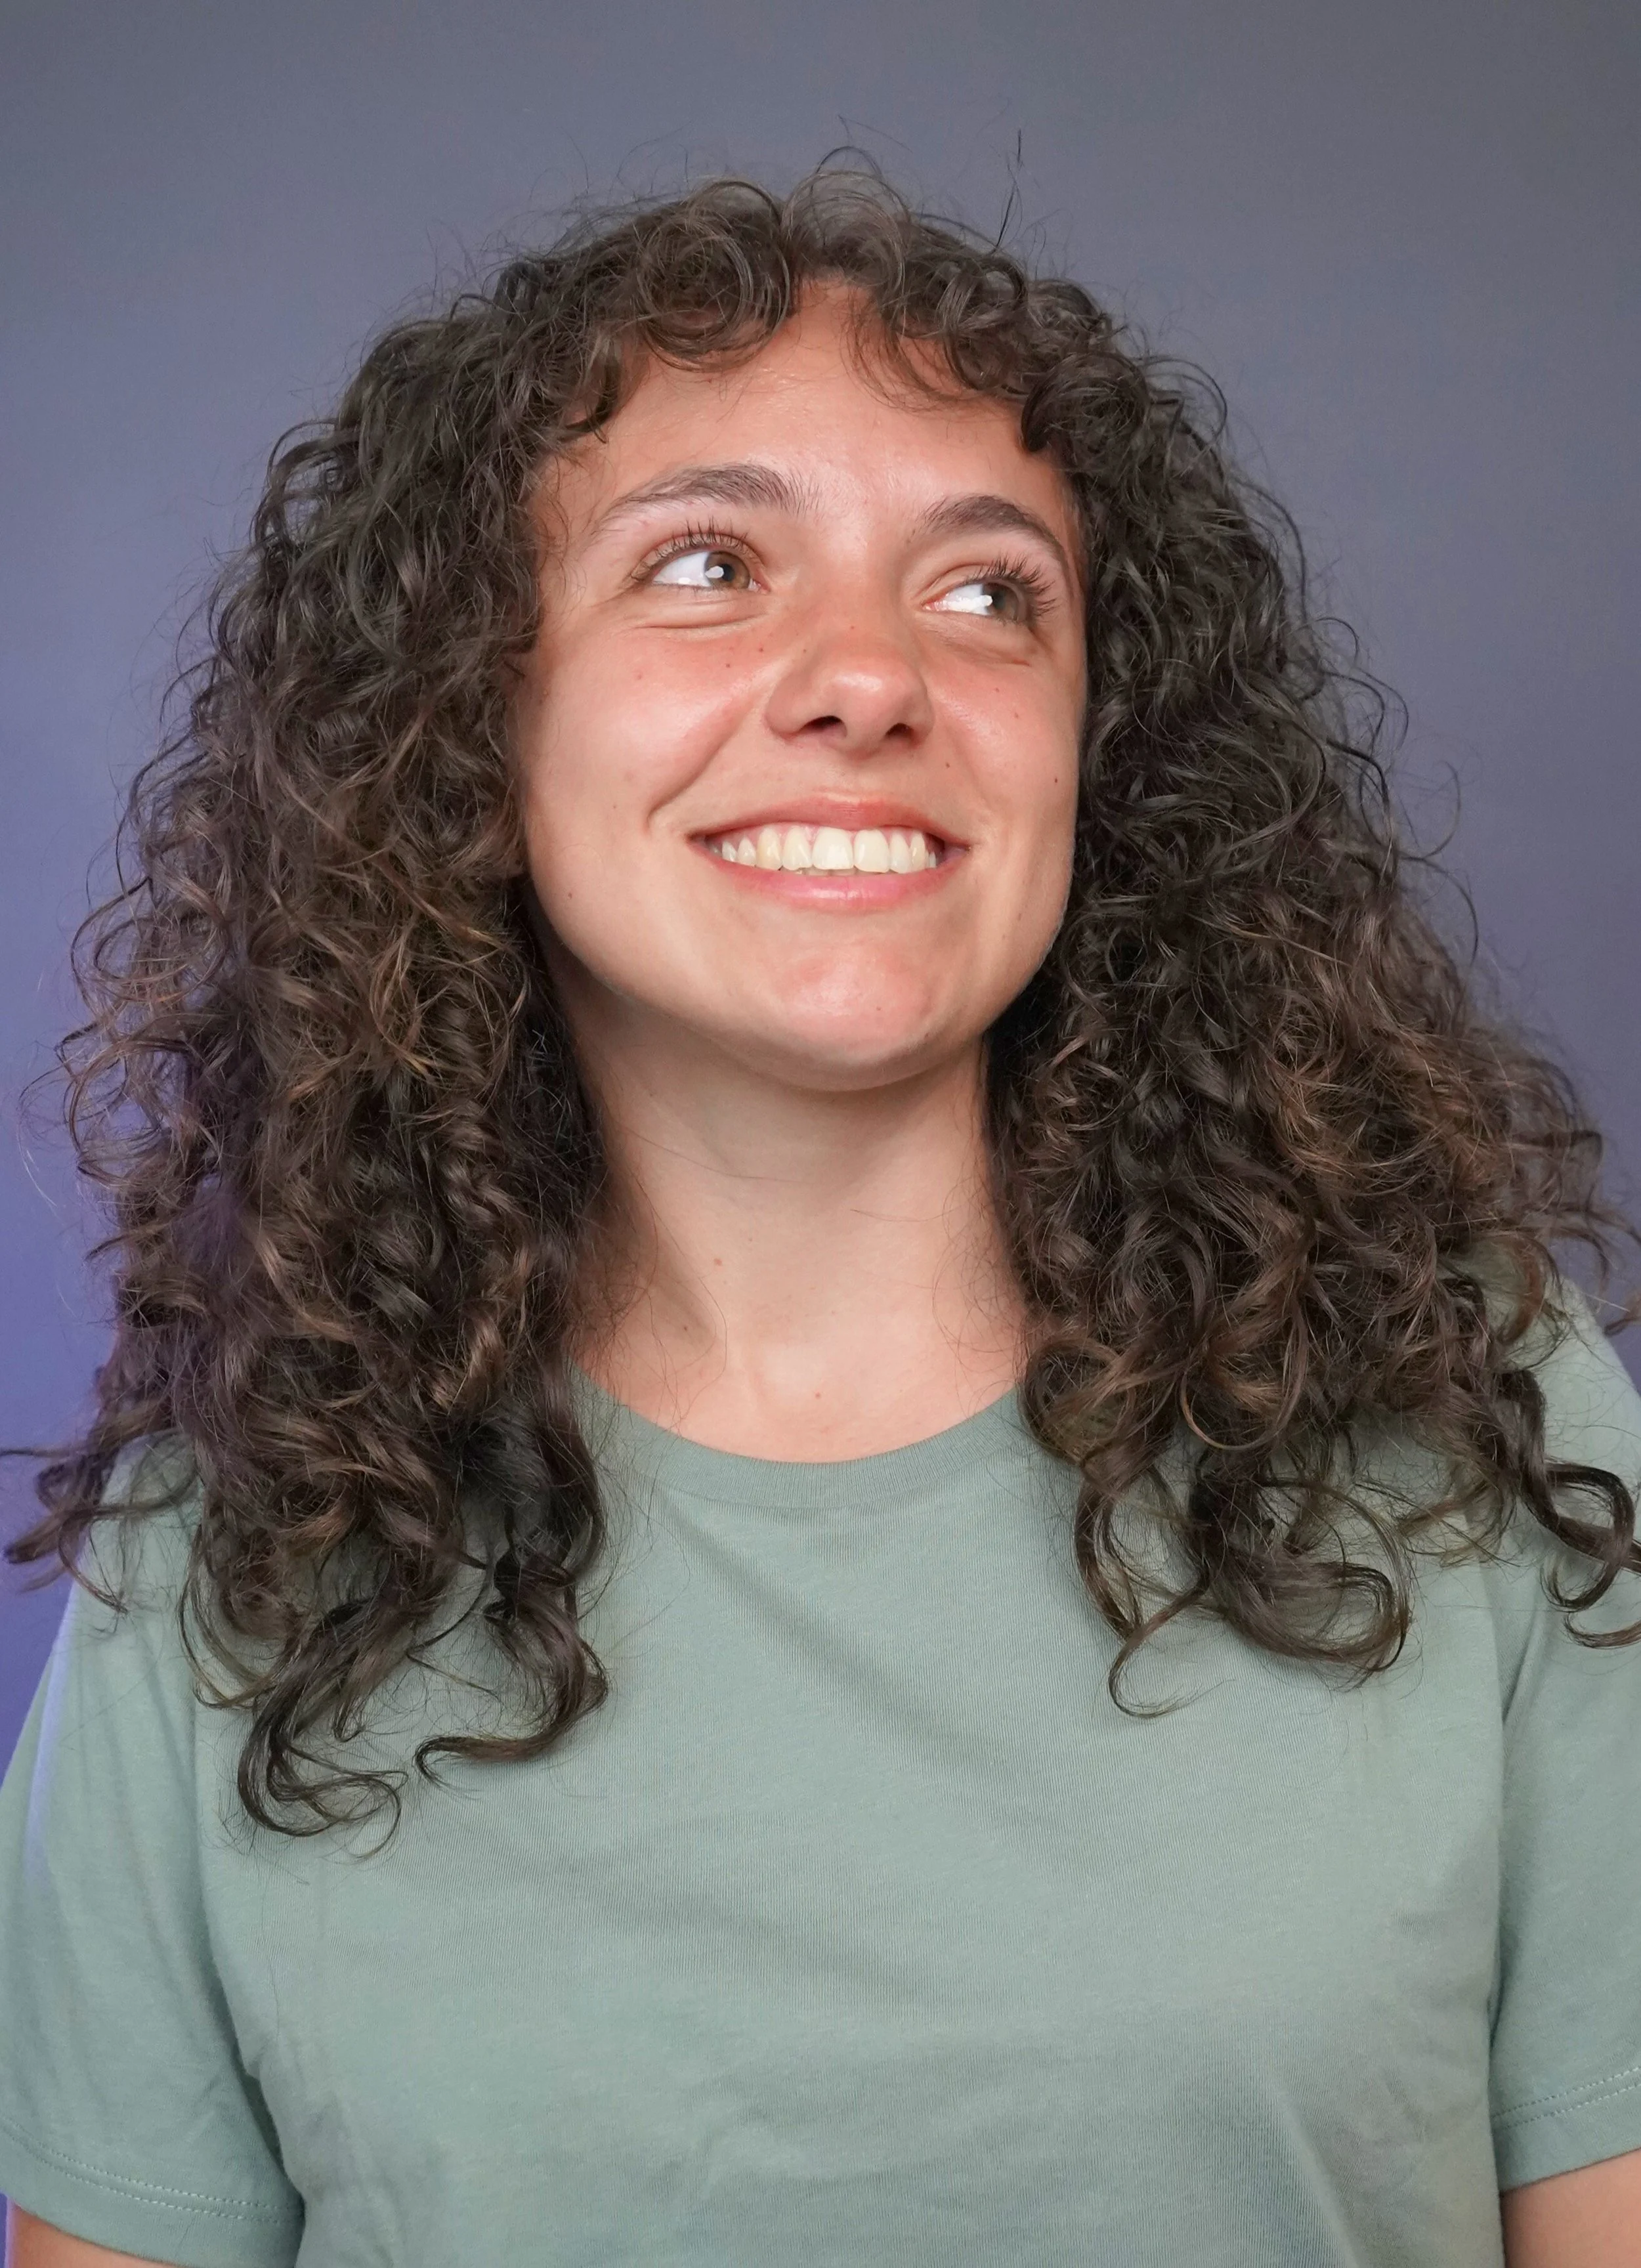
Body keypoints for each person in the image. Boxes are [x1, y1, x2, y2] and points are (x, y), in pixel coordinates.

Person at [1, 167, 1638, 2268]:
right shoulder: (226, 1551)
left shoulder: (1473, 1416)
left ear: (1096, 760)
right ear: (468, 728)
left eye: (986, 596)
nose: (867, 678)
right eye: (705, 564)